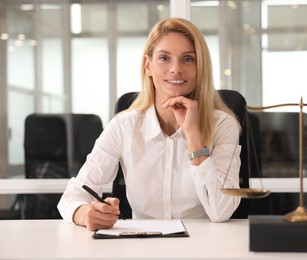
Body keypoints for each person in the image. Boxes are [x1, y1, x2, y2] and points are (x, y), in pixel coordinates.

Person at [57, 17, 241, 231]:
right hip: (142, 244)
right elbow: (73, 195)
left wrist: (193, 134)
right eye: (164, 58)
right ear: (148, 65)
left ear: (200, 68)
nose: (176, 69)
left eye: (188, 59)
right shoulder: (123, 126)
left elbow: (221, 211)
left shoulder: (223, 125)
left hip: (204, 243)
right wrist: (84, 214)